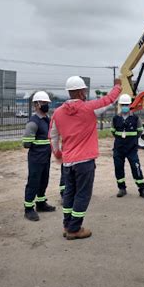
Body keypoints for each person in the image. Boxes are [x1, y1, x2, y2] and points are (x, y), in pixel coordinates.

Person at [49, 76, 121, 240]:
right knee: (82, 195)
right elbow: (109, 100)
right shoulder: (89, 108)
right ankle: (74, 229)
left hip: (68, 162)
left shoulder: (58, 113)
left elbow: (52, 135)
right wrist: (117, 86)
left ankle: (67, 225)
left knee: (69, 193)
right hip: (85, 162)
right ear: (82, 91)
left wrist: (58, 154)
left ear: (69, 91)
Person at [22, 91, 57, 222]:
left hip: (45, 158)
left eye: (47, 103)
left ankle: (41, 203)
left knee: (44, 181)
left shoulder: (47, 120)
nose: (46, 105)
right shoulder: (33, 123)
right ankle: (29, 208)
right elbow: (26, 143)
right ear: (36, 105)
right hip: (36, 159)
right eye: (43, 103)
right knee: (33, 182)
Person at [112, 93, 144, 199]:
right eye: (123, 105)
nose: (125, 107)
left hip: (131, 148)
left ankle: (142, 189)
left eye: (127, 105)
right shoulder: (115, 119)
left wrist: (131, 140)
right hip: (119, 148)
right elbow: (113, 131)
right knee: (118, 168)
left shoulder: (135, 118)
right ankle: (122, 188)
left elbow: (139, 131)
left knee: (136, 167)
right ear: (120, 105)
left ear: (130, 105)